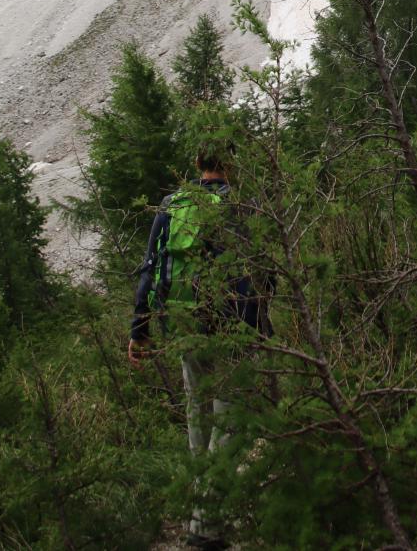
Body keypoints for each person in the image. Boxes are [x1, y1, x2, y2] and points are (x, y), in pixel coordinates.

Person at [128, 146, 269, 551]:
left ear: (197, 166)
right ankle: (206, 527)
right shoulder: (243, 207)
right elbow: (261, 274)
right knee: (229, 422)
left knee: (198, 417)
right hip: (231, 328)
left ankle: (199, 513)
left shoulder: (172, 205)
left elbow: (150, 267)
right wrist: (262, 328)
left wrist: (140, 330)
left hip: (185, 325)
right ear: (232, 163)